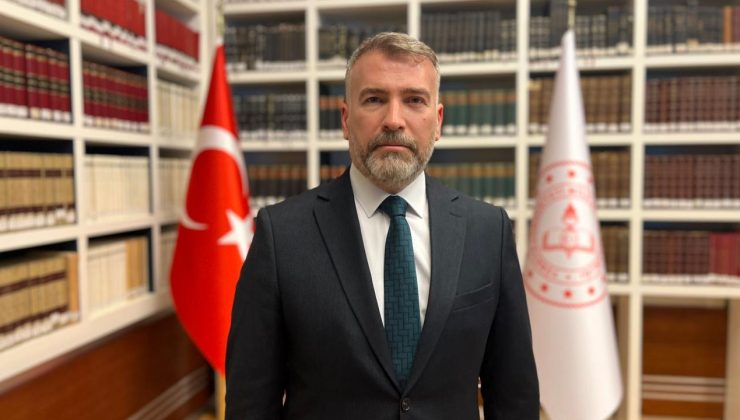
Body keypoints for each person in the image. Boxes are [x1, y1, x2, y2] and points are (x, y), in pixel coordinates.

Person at [225, 32, 539, 419]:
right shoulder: (282, 235)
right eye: (374, 99)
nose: (393, 120)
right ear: (345, 119)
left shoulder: (488, 231)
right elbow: (251, 402)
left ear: (438, 121)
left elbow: (514, 394)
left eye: (414, 100)